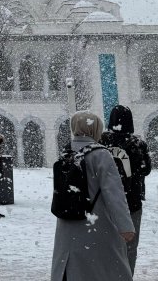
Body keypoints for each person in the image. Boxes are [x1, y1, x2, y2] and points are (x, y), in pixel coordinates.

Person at [51, 111, 136, 281]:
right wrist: (125, 226)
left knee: (71, 267)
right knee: (103, 269)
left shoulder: (66, 153)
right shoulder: (101, 154)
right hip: (95, 222)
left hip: (68, 223)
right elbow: (114, 193)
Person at [100, 104, 150, 274]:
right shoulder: (138, 143)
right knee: (130, 245)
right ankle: (126, 275)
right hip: (131, 201)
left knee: (107, 244)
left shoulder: (102, 141)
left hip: (106, 200)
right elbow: (146, 169)